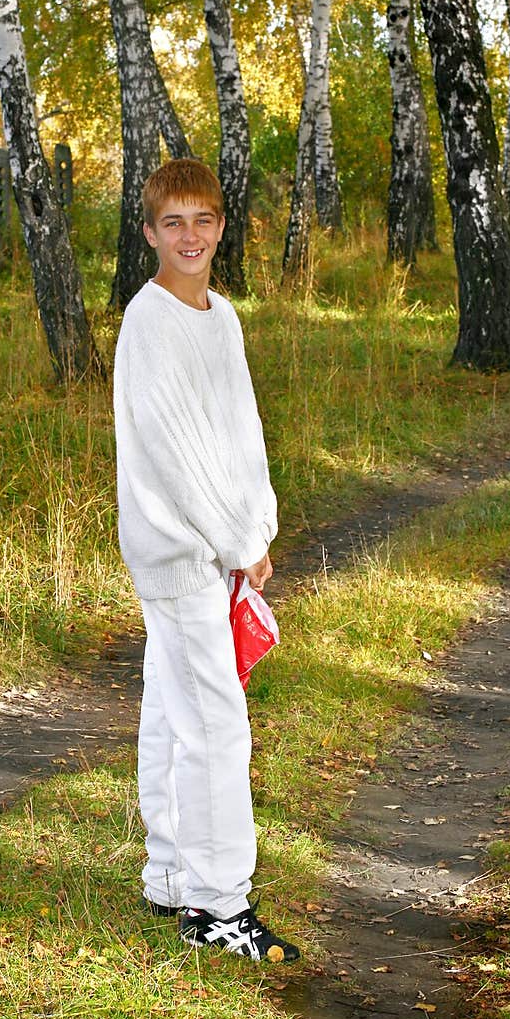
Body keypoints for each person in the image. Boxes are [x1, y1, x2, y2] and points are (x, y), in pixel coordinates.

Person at [112, 157, 299, 963]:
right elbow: (179, 453)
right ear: (150, 233)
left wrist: (257, 526)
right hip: (179, 546)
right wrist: (235, 543)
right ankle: (218, 908)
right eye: (172, 223)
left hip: (218, 543)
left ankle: (170, 877)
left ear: (222, 226)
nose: (190, 236)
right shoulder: (148, 321)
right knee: (215, 726)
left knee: (172, 708)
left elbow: (239, 429)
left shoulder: (221, 316)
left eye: (204, 220)